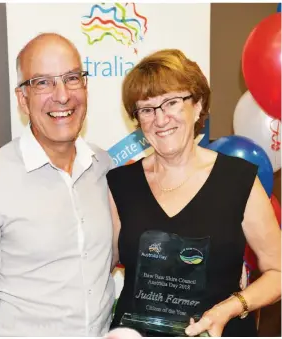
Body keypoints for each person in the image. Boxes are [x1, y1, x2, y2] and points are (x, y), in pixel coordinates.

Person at [0, 33, 115, 337]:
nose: (62, 95)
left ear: (85, 86)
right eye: (43, 83)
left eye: (72, 78)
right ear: (23, 99)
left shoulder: (103, 166)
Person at [107, 49, 281, 337]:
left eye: (171, 102)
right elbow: (98, 267)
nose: (160, 119)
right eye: (146, 109)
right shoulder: (120, 184)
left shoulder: (238, 179)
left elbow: (278, 272)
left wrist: (228, 309)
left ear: (198, 105)